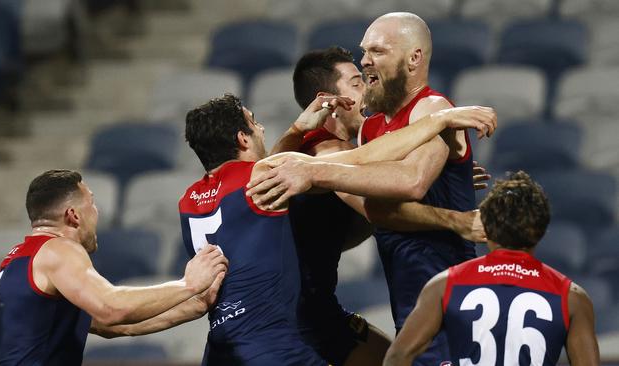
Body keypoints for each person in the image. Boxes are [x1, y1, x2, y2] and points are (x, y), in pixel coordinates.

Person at [180, 93, 495, 365]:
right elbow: (363, 157)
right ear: (242, 138)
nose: (261, 128)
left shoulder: (189, 202)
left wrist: (297, 130)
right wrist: (440, 119)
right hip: (272, 345)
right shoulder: (260, 174)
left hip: (221, 344)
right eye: (254, 122)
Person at [245, 12, 484, 365]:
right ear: (329, 100)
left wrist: (448, 170)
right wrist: (454, 217)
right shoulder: (351, 139)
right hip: (305, 309)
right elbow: (376, 206)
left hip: (448, 296)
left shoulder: (430, 108)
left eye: (376, 52)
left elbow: (410, 182)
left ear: (413, 58)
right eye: (361, 63)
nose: (367, 62)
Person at [0, 170, 228, 365]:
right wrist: (187, 284)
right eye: (92, 202)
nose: (97, 211)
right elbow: (111, 308)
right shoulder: (58, 250)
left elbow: (114, 326)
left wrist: (194, 306)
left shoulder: (16, 260)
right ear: (73, 215)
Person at [383, 171, 600, 366]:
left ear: (485, 224)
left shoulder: (444, 284)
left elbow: (398, 357)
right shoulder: (572, 298)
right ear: (542, 231)